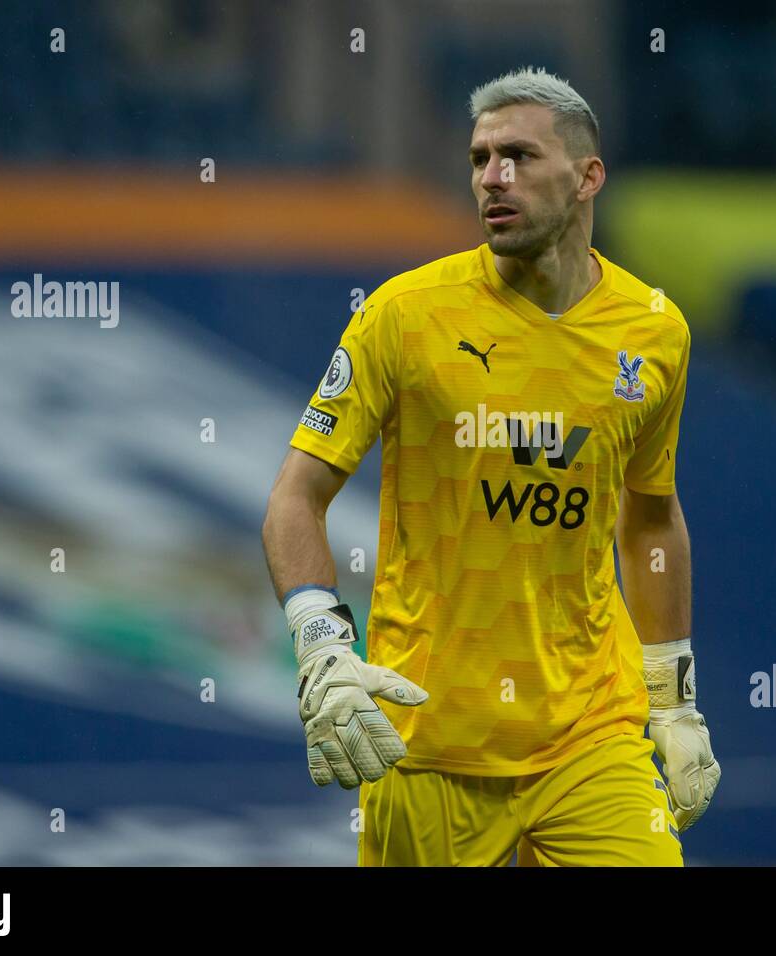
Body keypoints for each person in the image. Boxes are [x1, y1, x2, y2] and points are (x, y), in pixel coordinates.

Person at [261, 66, 719, 866]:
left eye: (518, 156)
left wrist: (673, 703)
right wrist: (322, 646)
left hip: (592, 733)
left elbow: (650, 516)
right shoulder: (402, 316)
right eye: (479, 159)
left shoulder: (654, 332)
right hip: (430, 734)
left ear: (588, 177)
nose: (492, 179)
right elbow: (296, 498)